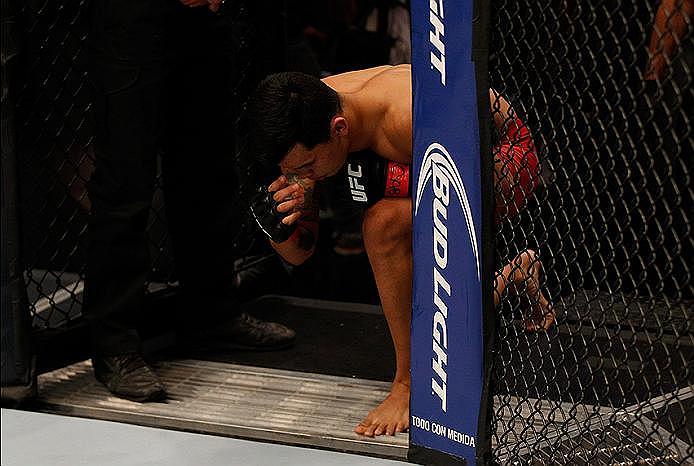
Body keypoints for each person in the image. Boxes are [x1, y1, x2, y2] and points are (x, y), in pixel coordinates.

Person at [244, 66, 555, 437]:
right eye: (295, 169)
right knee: (383, 218)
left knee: (382, 226)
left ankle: (410, 383)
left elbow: (471, 193)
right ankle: (515, 274)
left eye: (308, 167)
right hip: (424, 162)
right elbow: (299, 254)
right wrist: (278, 231)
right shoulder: (308, 118)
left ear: (340, 129)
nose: (303, 175)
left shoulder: (408, 116)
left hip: (501, 159)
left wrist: (392, 179)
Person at [83, 0, 295, 403]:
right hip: (130, 22)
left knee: (208, 170)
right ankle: (116, 344)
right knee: (125, 182)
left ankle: (211, 312)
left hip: (201, 21)